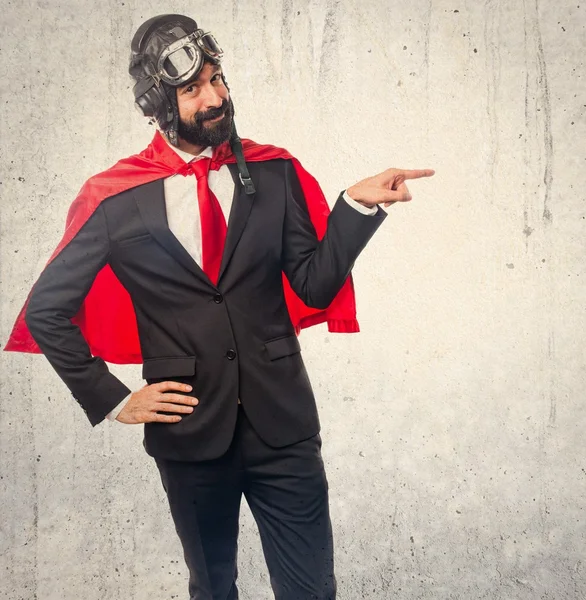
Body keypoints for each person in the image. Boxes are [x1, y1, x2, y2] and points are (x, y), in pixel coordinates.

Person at [5, 13, 434, 600]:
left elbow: (312, 285)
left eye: (218, 79)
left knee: (312, 590)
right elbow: (47, 309)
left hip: (283, 427)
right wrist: (113, 399)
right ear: (158, 102)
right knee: (212, 588)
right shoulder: (116, 197)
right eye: (193, 88)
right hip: (188, 433)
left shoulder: (274, 173)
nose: (216, 97)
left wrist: (355, 209)